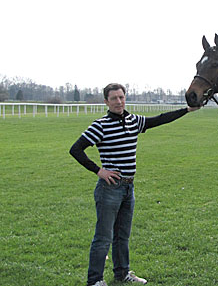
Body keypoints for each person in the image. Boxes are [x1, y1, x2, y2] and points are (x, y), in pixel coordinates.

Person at [70, 83, 199, 286]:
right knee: (103, 237)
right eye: (114, 98)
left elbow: (159, 120)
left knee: (122, 236)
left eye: (121, 97)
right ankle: (95, 280)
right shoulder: (100, 125)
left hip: (128, 188)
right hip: (109, 189)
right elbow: (76, 149)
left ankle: (122, 273)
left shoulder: (133, 121)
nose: (119, 101)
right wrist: (99, 171)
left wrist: (187, 110)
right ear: (106, 101)